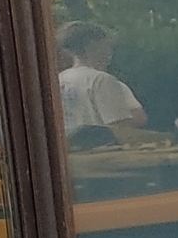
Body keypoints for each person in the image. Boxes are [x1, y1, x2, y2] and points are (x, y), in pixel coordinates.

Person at [55, 21, 146, 149]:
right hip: (100, 156)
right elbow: (121, 129)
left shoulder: (58, 80)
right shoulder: (101, 80)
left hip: (69, 155)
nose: (110, 52)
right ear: (92, 46)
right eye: (107, 46)